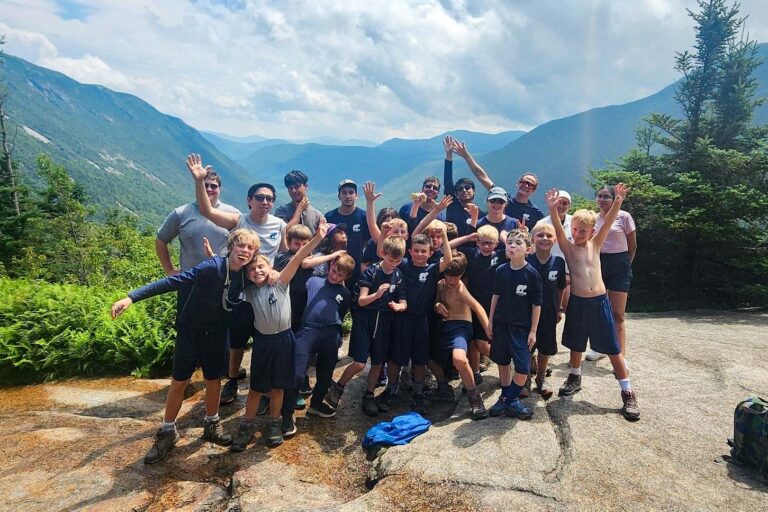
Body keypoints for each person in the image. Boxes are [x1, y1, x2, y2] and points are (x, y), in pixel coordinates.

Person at [110, 229, 260, 464]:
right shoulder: (211, 267)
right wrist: (132, 297)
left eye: (250, 248)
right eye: (241, 245)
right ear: (231, 247)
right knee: (180, 381)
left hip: (218, 334)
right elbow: (174, 281)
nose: (245, 251)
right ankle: (168, 431)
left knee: (213, 380)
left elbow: (270, 275)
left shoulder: (245, 276)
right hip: (190, 332)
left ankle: (211, 424)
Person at [544, 185, 640, 421]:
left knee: (612, 348)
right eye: (575, 229)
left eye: (583, 231)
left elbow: (608, 221)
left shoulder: (596, 244)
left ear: (592, 231)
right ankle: (575, 376)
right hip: (577, 303)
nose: (578, 234)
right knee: (576, 343)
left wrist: (618, 199)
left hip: (599, 303)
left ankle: (627, 391)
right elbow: (557, 226)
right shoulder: (567, 247)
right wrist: (552, 208)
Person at [230, 219, 327, 451]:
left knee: (278, 387)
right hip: (263, 341)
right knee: (256, 388)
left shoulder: (281, 282)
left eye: (261, 266)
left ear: (270, 267)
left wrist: (318, 238)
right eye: (252, 269)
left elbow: (297, 258)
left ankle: (274, 423)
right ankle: (247, 425)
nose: (257, 271)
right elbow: (231, 274)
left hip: (285, 340)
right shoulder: (249, 291)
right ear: (248, 274)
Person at [324, 236, 407, 417]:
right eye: (391, 259)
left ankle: (369, 395)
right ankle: (338, 387)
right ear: (383, 254)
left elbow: (403, 301)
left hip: (384, 321)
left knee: (378, 362)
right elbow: (361, 301)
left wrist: (400, 306)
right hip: (365, 320)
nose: (394, 263)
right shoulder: (371, 272)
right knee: (360, 363)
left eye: (398, 260)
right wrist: (377, 295)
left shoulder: (398, 274)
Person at [378, 229, 453, 414]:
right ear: (410, 251)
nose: (419, 254)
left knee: (420, 360)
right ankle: (391, 389)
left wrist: (443, 237)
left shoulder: (432, 268)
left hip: (422, 322)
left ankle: (419, 393)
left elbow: (448, 261)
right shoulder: (402, 265)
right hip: (401, 320)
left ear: (430, 252)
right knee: (395, 359)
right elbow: (382, 252)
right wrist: (384, 234)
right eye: (416, 250)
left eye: (423, 251)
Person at [487, 230, 542, 419]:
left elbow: (537, 304)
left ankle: (508, 399)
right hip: (501, 324)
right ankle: (507, 396)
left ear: (529, 249)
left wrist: (533, 330)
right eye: (509, 242)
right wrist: (489, 321)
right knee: (502, 361)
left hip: (521, 327)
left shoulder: (532, 275)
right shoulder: (501, 270)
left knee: (522, 367)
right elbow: (496, 296)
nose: (512, 245)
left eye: (518, 243)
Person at [292, 254, 355, 419]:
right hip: (307, 331)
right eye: (333, 271)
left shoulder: (345, 293)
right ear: (330, 266)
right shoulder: (314, 281)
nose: (334, 276)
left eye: (339, 275)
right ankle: (286, 411)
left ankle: (316, 404)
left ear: (346, 277)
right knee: (297, 373)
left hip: (330, 333)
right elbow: (302, 267)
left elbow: (340, 314)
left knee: (326, 373)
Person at [431, 251, 492, 420]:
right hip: (444, 327)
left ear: (462, 274)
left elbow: (477, 307)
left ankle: (474, 397)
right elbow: (434, 300)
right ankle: (443, 386)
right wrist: (437, 305)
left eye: (456, 276)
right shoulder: (440, 284)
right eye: (448, 276)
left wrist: (487, 328)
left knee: (459, 358)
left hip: (460, 327)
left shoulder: (460, 287)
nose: (451, 281)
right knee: (424, 354)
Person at [156, 167, 241, 275]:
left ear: (219, 189)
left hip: (222, 280)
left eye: (213, 186)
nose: (209, 189)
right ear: (199, 187)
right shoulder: (181, 213)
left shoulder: (232, 214)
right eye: (205, 185)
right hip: (189, 281)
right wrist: (169, 270)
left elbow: (250, 241)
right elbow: (161, 240)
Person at [585, 185, 637, 361]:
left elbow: (633, 245)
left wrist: (625, 265)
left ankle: (621, 355)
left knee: (618, 313)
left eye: (606, 196)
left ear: (614, 199)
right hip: (598, 263)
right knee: (598, 308)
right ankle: (598, 347)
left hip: (619, 263)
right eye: (599, 196)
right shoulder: (593, 218)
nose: (602, 199)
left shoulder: (624, 217)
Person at [448, 225, 506, 383]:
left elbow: (517, 250)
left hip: (493, 306)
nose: (486, 246)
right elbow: (445, 247)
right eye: (483, 242)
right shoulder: (471, 254)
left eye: (490, 243)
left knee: (482, 343)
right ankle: (474, 372)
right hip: (471, 303)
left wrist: (503, 236)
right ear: (477, 243)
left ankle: (505, 362)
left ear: (496, 244)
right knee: (472, 341)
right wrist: (468, 237)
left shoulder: (500, 256)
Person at [454, 141, 544, 227]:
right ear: (518, 183)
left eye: (531, 184)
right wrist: (466, 156)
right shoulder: (503, 197)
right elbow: (482, 176)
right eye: (524, 182)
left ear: (534, 190)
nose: (526, 185)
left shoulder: (535, 212)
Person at [526, 223, 566, 399]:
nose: (544, 238)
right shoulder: (526, 261)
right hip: (526, 313)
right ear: (532, 239)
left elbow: (560, 288)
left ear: (555, 240)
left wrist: (559, 309)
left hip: (549, 313)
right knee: (526, 347)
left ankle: (541, 379)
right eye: (540, 235)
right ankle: (524, 379)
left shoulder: (558, 262)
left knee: (545, 347)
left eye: (549, 236)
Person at [325, 179, 371, 292]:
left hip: (356, 269)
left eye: (351, 192)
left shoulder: (364, 217)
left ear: (356, 196)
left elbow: (367, 241)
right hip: (334, 270)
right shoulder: (330, 217)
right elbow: (325, 242)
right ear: (339, 196)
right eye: (344, 192)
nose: (348, 196)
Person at [442, 135, 483, 237]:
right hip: (452, 249)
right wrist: (449, 155)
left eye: (468, 187)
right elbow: (448, 181)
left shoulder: (482, 214)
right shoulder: (453, 206)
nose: (464, 190)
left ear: (474, 191)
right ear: (456, 193)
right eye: (460, 189)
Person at [541, 190, 573, 311]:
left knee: (570, 310)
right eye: (558, 202)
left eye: (565, 203)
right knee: (551, 311)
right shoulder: (542, 223)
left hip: (570, 274)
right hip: (548, 273)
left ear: (570, 205)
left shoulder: (575, 222)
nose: (561, 206)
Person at [274, 170, 324, 235]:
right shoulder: (282, 211)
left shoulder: (317, 215)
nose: (293, 190)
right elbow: (282, 234)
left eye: (297, 186)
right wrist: (299, 210)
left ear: (306, 186)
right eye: (290, 188)